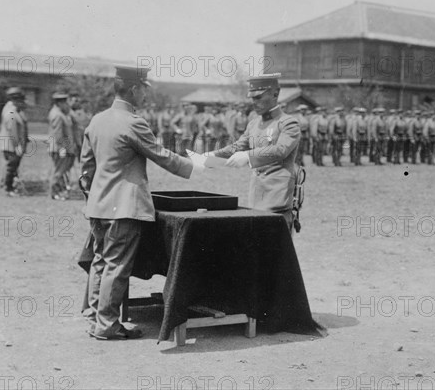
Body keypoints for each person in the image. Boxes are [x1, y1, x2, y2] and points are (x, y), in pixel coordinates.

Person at [80, 65, 204, 340]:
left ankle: (94, 317)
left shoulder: (97, 120)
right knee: (116, 266)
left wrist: (92, 198)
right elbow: (161, 155)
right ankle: (107, 325)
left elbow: (86, 168)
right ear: (134, 89)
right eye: (144, 91)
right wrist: (193, 165)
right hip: (123, 207)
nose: (145, 97)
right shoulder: (133, 122)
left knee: (100, 262)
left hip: (99, 205)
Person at [211, 73, 300, 232]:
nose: (254, 102)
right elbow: (238, 146)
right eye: (252, 98)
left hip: (277, 195)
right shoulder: (253, 124)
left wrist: (247, 156)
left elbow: (281, 150)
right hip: (256, 195)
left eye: (259, 97)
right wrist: (211, 156)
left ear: (275, 94)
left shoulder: (288, 123)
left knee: (277, 250)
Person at [0, 87, 28, 197]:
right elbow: (12, 130)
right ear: (16, 100)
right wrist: (17, 145)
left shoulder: (13, 109)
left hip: (10, 144)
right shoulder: (11, 111)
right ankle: (8, 188)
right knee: (11, 167)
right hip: (11, 145)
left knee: (11, 167)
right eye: (20, 100)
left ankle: (8, 186)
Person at [48, 92, 76, 200]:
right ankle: (55, 192)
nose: (67, 105)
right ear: (59, 103)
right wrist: (62, 148)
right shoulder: (57, 115)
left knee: (61, 171)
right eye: (64, 103)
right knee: (59, 171)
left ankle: (59, 191)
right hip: (59, 148)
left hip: (62, 147)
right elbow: (58, 133)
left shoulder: (61, 113)